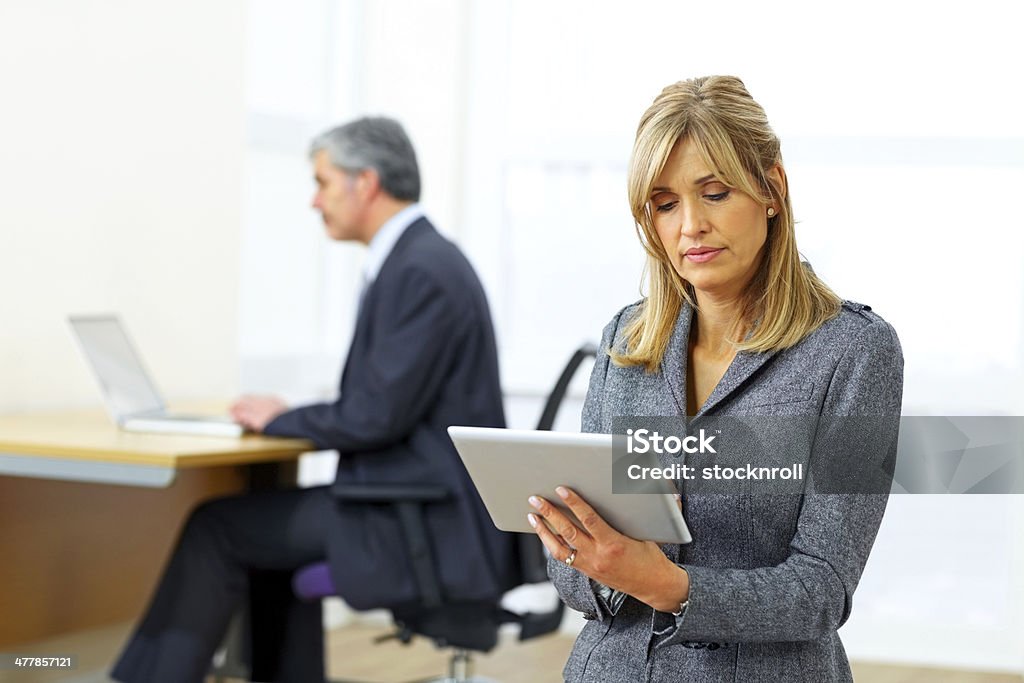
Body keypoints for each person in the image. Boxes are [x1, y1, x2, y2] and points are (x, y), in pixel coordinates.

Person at [112, 117, 518, 683]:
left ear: (365, 183)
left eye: (323, 183)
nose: (314, 200)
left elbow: (374, 416)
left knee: (217, 528)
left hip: (420, 517)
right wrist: (288, 417)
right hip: (407, 497)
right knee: (261, 535)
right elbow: (383, 403)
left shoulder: (420, 271)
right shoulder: (417, 261)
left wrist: (282, 418)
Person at [526, 76, 904, 682]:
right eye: (666, 203)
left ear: (772, 190)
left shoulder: (854, 351)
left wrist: (669, 585)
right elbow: (574, 573)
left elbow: (821, 589)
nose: (690, 226)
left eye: (716, 192)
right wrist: (593, 553)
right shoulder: (625, 341)